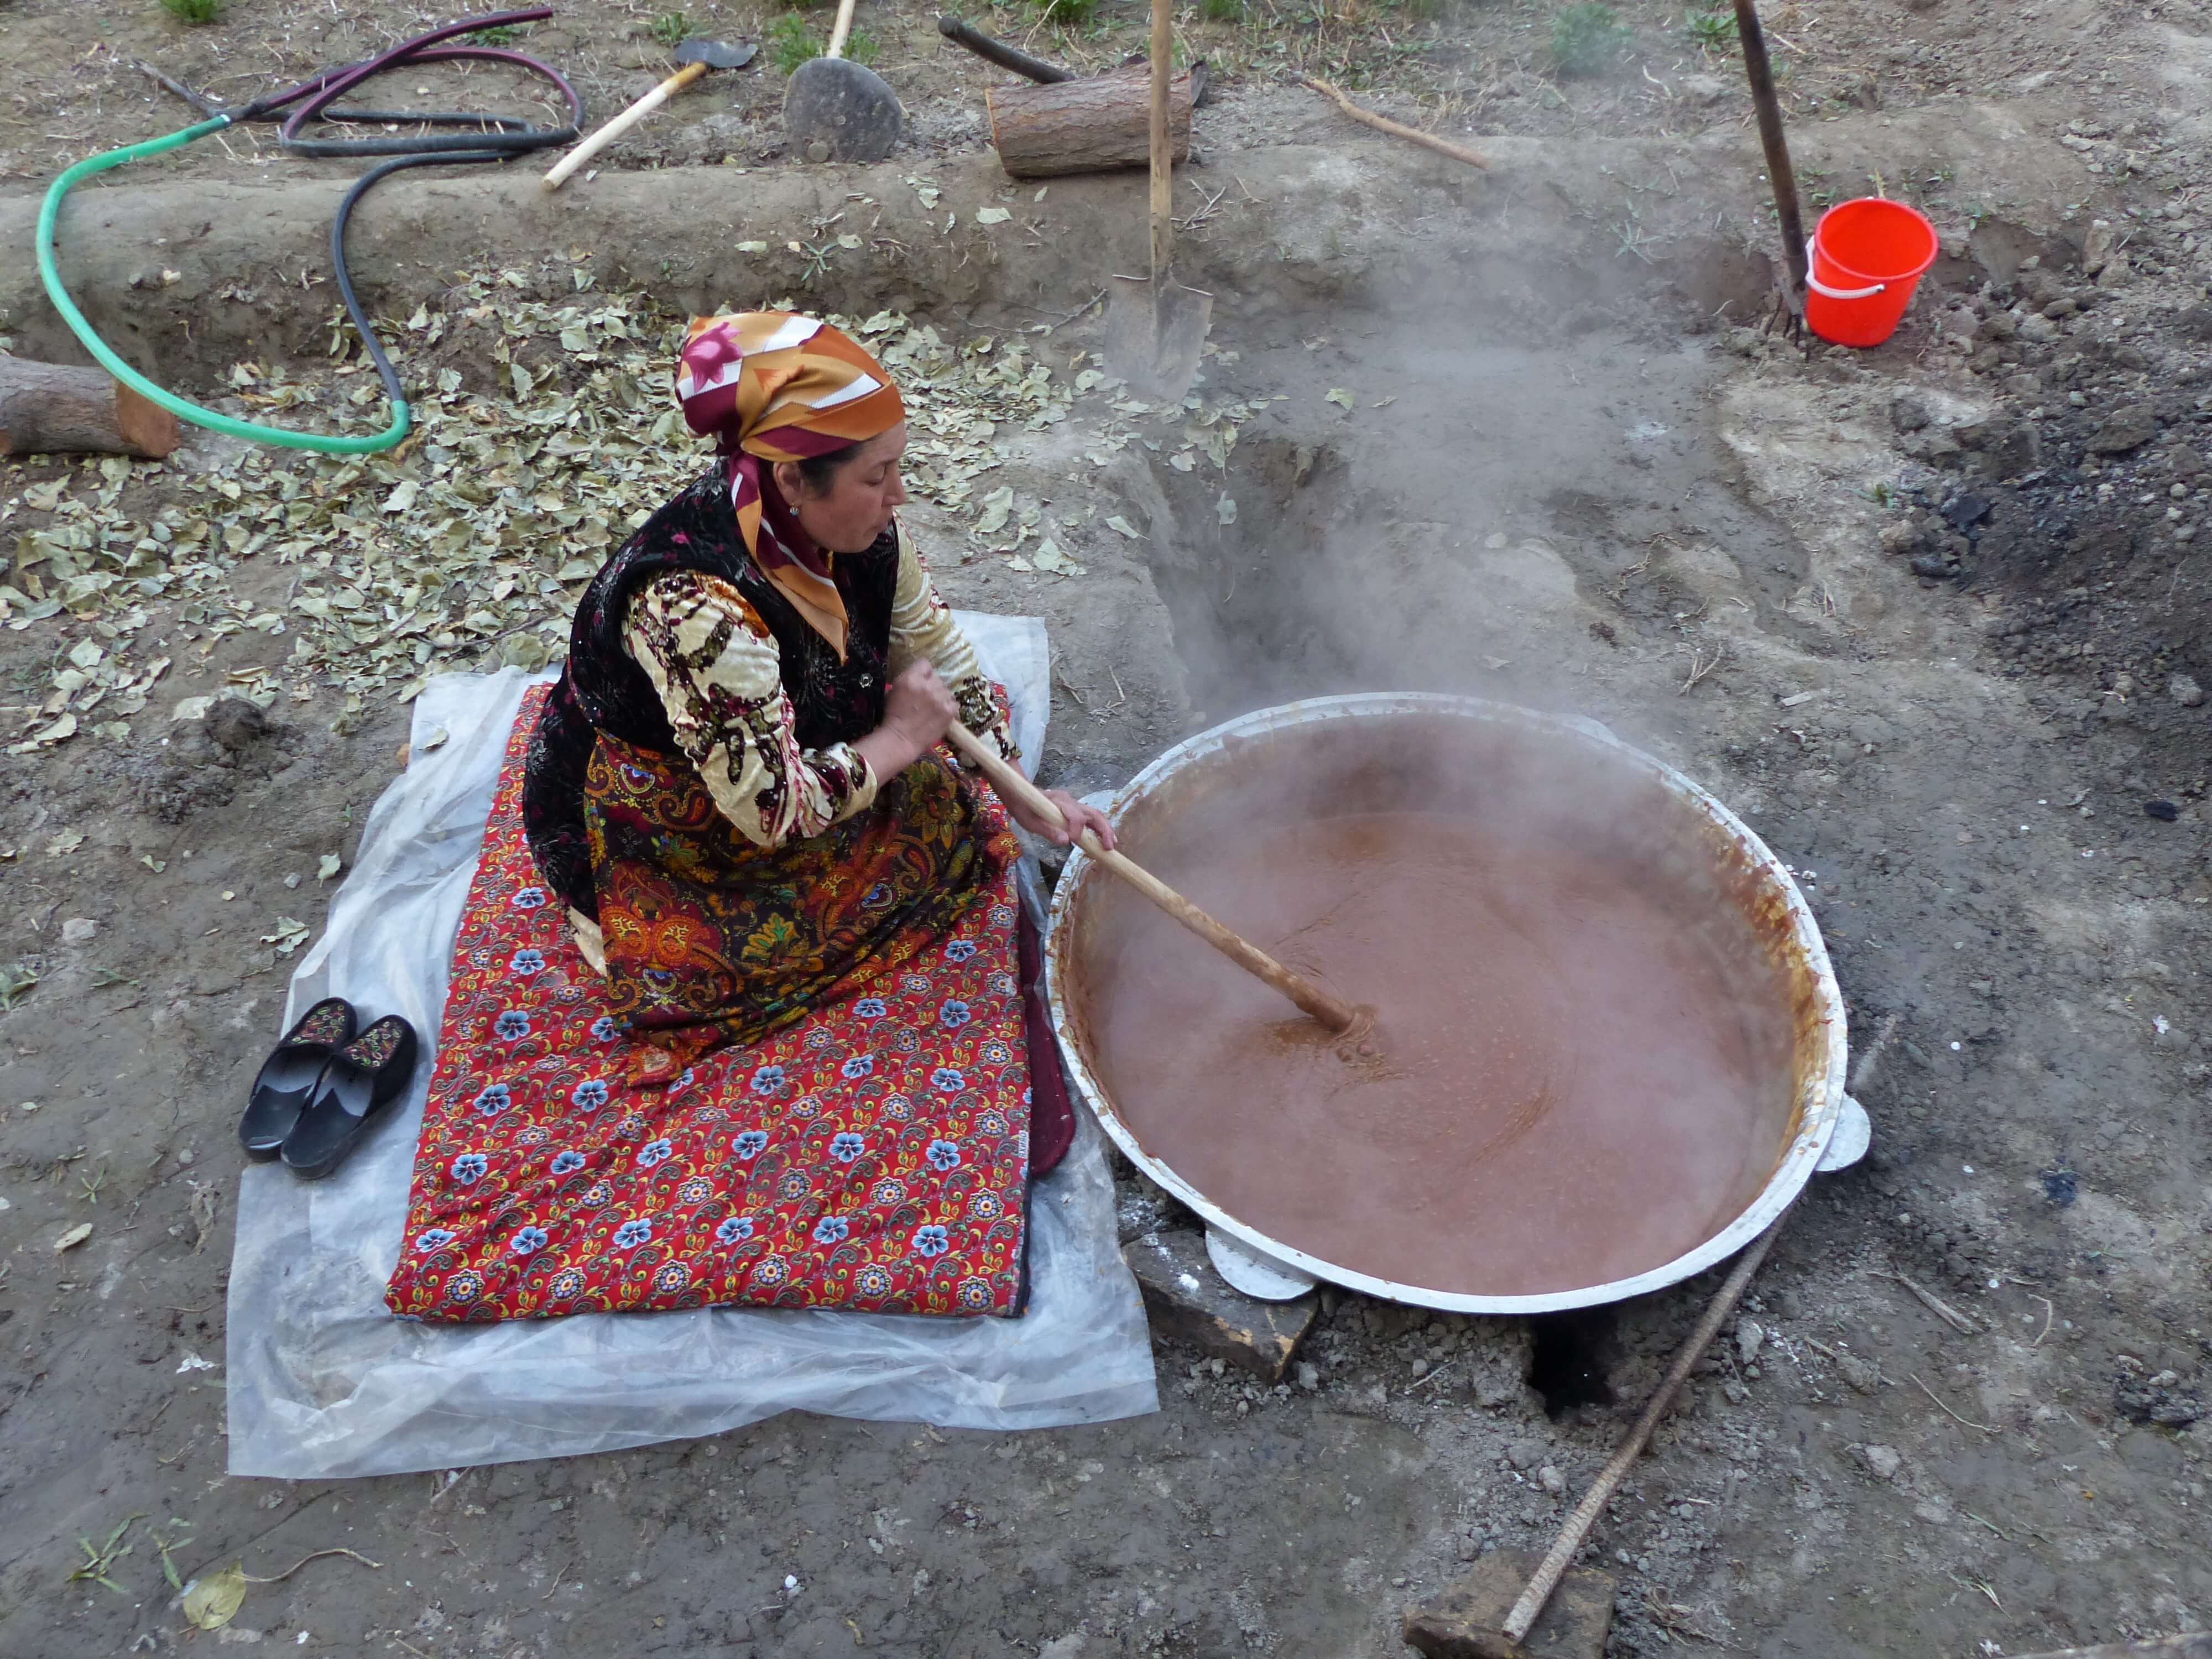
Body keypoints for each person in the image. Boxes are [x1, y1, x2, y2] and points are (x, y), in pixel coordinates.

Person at [520, 311, 1113, 1096]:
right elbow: (768, 811)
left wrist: (1020, 792)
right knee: (741, 946)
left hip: (787, 741)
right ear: (793, 479)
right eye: (876, 479)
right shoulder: (695, 606)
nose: (898, 497)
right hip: (675, 809)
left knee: (954, 822)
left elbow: (932, 650)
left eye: (897, 469)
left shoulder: (847, 527)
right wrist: (901, 739)